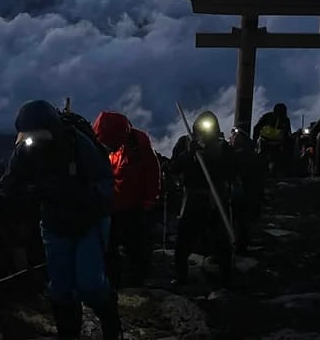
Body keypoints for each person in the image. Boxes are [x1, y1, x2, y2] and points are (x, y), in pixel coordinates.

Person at [0, 100, 122, 340]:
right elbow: (11, 182)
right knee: (61, 290)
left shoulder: (78, 145)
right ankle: (69, 334)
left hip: (88, 223)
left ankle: (112, 326)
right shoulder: (26, 149)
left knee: (91, 286)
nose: (35, 140)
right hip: (54, 225)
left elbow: (105, 185)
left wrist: (75, 195)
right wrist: (1, 195)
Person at [92, 111, 161, 289]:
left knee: (135, 245)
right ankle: (113, 282)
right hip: (111, 204)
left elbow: (152, 173)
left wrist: (149, 202)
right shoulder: (103, 144)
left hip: (132, 205)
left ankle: (135, 283)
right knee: (110, 246)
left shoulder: (139, 144)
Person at [171, 110, 236, 288]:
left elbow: (231, 171)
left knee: (222, 242)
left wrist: (211, 157)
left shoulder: (223, 147)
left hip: (216, 200)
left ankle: (226, 279)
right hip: (193, 199)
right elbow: (173, 167)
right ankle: (181, 277)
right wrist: (189, 155)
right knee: (183, 242)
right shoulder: (185, 144)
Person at [229, 127, 263, 252]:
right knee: (242, 220)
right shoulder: (250, 155)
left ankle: (239, 245)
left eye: (235, 136)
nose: (232, 138)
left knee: (239, 219)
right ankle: (241, 243)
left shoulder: (243, 156)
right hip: (246, 193)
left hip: (242, 192)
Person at [253, 103, 293, 176]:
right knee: (262, 159)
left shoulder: (285, 120)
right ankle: (262, 174)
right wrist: (254, 141)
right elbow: (257, 128)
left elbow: (287, 134)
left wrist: (287, 146)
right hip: (264, 142)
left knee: (277, 159)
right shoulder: (267, 117)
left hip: (277, 144)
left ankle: (274, 174)